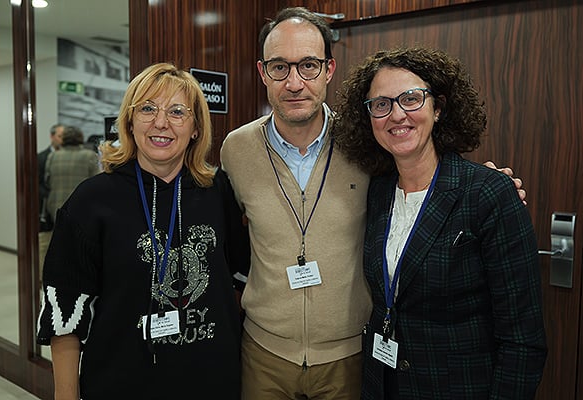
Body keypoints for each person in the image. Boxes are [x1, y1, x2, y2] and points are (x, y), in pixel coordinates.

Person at [220, 7, 527, 400]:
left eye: (308, 65)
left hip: (351, 357)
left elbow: (424, 173)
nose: (294, 82)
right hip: (263, 353)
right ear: (263, 73)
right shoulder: (236, 149)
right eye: (280, 67)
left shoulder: (366, 144)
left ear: (329, 69)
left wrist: (487, 186)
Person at [333, 46, 547, 399]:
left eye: (411, 99)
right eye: (381, 104)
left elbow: (523, 340)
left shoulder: (488, 192)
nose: (397, 115)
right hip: (381, 384)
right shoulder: (377, 191)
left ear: (438, 107)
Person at [37, 63, 249, 400]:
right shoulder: (92, 200)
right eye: (148, 109)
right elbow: (64, 316)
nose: (161, 122)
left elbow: (241, 277)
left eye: (178, 112)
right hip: (120, 383)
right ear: (130, 122)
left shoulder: (217, 190)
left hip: (213, 381)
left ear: (195, 127)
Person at [44, 125, 101, 224]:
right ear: (80, 138)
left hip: (56, 206)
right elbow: (97, 182)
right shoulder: (89, 155)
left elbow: (47, 181)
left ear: (64, 139)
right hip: (82, 206)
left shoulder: (53, 156)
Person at [38, 123, 63, 269]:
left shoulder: (74, 157)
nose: (62, 140)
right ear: (52, 137)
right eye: (60, 136)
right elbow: (37, 183)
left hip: (65, 209)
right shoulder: (41, 158)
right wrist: (51, 197)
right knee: (45, 246)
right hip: (46, 210)